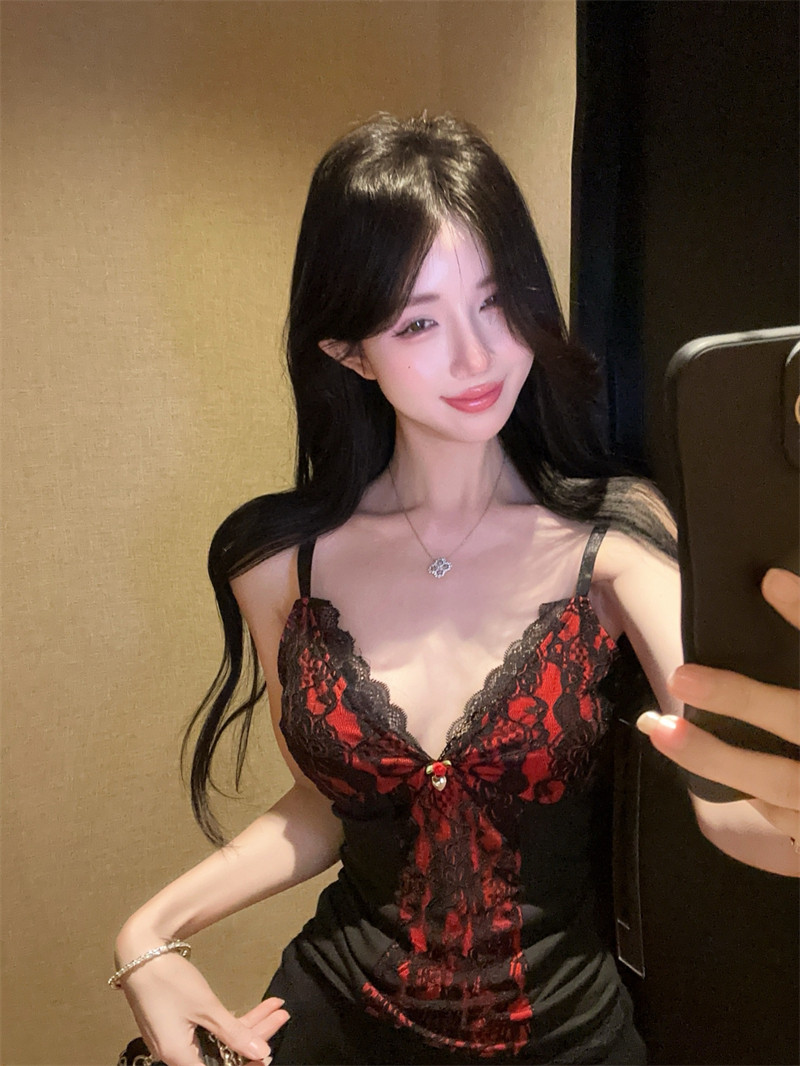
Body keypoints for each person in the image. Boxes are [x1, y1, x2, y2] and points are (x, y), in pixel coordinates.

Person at [114, 114, 800, 1066]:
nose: (478, 357)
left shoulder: (614, 541)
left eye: (498, 301)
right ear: (349, 350)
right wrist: (150, 932)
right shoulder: (278, 564)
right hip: (333, 1018)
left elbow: (728, 801)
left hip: (565, 1039)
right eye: (419, 322)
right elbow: (332, 803)